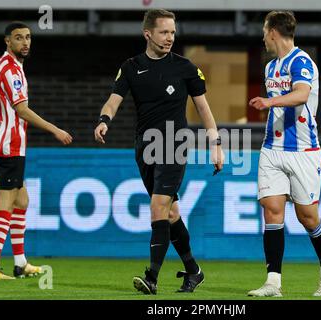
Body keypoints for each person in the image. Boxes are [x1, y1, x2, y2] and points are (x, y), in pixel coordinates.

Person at [94, 9, 224, 295]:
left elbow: (203, 108)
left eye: (173, 32)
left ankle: (151, 277)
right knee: (171, 213)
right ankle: (194, 271)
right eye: (164, 32)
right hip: (145, 147)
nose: (170, 38)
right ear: (148, 33)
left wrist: (216, 145)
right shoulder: (130, 67)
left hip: (174, 144)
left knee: (158, 207)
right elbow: (113, 101)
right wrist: (104, 120)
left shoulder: (186, 67)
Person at [0, 21, 73, 280]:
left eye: (28, 37)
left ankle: (20, 263)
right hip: (9, 146)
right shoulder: (11, 71)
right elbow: (21, 110)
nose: (25, 42)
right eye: (19, 38)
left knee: (22, 201)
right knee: (6, 205)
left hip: (0, 143)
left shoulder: (2, 64)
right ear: (7, 41)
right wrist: (55, 129)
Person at [247, 11, 321, 297]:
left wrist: (268, 101)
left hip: (304, 151)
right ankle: (273, 283)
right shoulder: (271, 67)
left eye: (263, 31)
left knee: (307, 217)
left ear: (273, 31)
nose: (262, 37)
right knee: (271, 211)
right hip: (272, 149)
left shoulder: (302, 62)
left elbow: (300, 94)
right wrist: (270, 104)